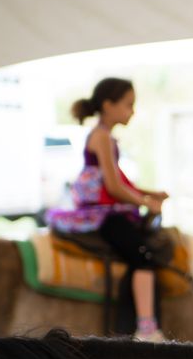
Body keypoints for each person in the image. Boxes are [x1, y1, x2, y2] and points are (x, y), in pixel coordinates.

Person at [46, 77, 169, 342]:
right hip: (103, 213)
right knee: (142, 256)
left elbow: (121, 181)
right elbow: (113, 187)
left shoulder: (105, 137)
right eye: (128, 104)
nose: (132, 111)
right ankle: (146, 327)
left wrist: (148, 193)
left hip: (106, 207)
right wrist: (145, 203)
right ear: (108, 104)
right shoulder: (101, 137)